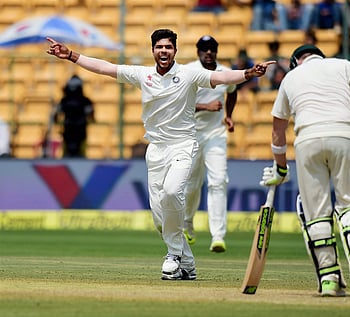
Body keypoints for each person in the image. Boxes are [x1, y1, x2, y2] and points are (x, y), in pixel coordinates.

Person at [46, 29, 274, 280]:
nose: (163, 51)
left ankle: (173, 256)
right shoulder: (143, 75)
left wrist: (249, 73)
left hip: (183, 145)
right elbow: (105, 68)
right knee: (158, 217)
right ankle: (187, 264)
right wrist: (71, 55)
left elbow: (221, 77)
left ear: (175, 50)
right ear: (153, 50)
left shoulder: (189, 74)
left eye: (168, 47)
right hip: (155, 149)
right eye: (159, 47)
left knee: (172, 192)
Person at [259, 44, 350, 297]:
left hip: (307, 139)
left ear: (296, 61)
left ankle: (329, 278)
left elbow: (277, 129)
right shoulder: (342, 65)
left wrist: (281, 168)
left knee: (316, 213)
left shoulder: (290, 77)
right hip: (344, 135)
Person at [183, 35, 238, 252]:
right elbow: (178, 103)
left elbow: (232, 92)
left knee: (218, 181)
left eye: (212, 49)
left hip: (216, 134)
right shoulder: (188, 72)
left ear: (216, 51)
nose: (208, 52)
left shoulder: (225, 72)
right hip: (191, 135)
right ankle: (187, 223)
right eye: (204, 49)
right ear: (198, 52)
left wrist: (229, 114)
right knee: (191, 185)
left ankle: (218, 235)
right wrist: (206, 107)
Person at [54, 74, 94, 158]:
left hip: (70, 129)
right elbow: (91, 115)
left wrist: (56, 120)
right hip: (78, 129)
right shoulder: (85, 100)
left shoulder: (64, 100)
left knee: (70, 152)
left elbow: (56, 114)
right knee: (78, 152)